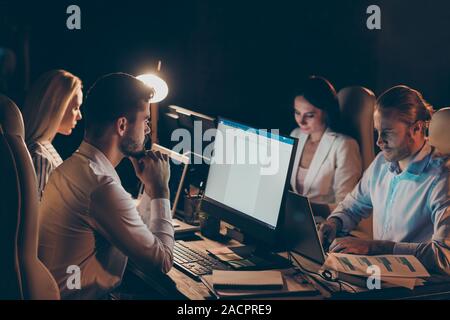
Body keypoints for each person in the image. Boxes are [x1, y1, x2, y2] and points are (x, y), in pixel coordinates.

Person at [38, 73, 174, 299]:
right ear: (122, 125)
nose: (148, 130)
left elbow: (131, 227)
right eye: (145, 121)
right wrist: (161, 191)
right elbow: (162, 260)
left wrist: (150, 188)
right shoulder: (101, 186)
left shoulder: (74, 169)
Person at [319, 85, 450, 275]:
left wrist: (375, 247)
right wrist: (334, 223)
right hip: (381, 274)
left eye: (387, 132)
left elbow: (444, 256)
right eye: (377, 132)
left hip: (421, 287)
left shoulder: (442, 178)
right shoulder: (381, 162)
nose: (379, 141)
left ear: (417, 128)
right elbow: (353, 206)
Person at [290, 76, 362, 215]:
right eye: (297, 113)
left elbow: (346, 206)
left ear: (326, 111)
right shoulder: (296, 135)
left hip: (325, 223)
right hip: (297, 218)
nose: (301, 121)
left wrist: (304, 208)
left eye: (309, 115)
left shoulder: (344, 145)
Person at [22, 70, 83, 199]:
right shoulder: (39, 157)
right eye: (75, 108)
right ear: (57, 106)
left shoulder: (42, 150)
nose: (79, 116)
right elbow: (34, 216)